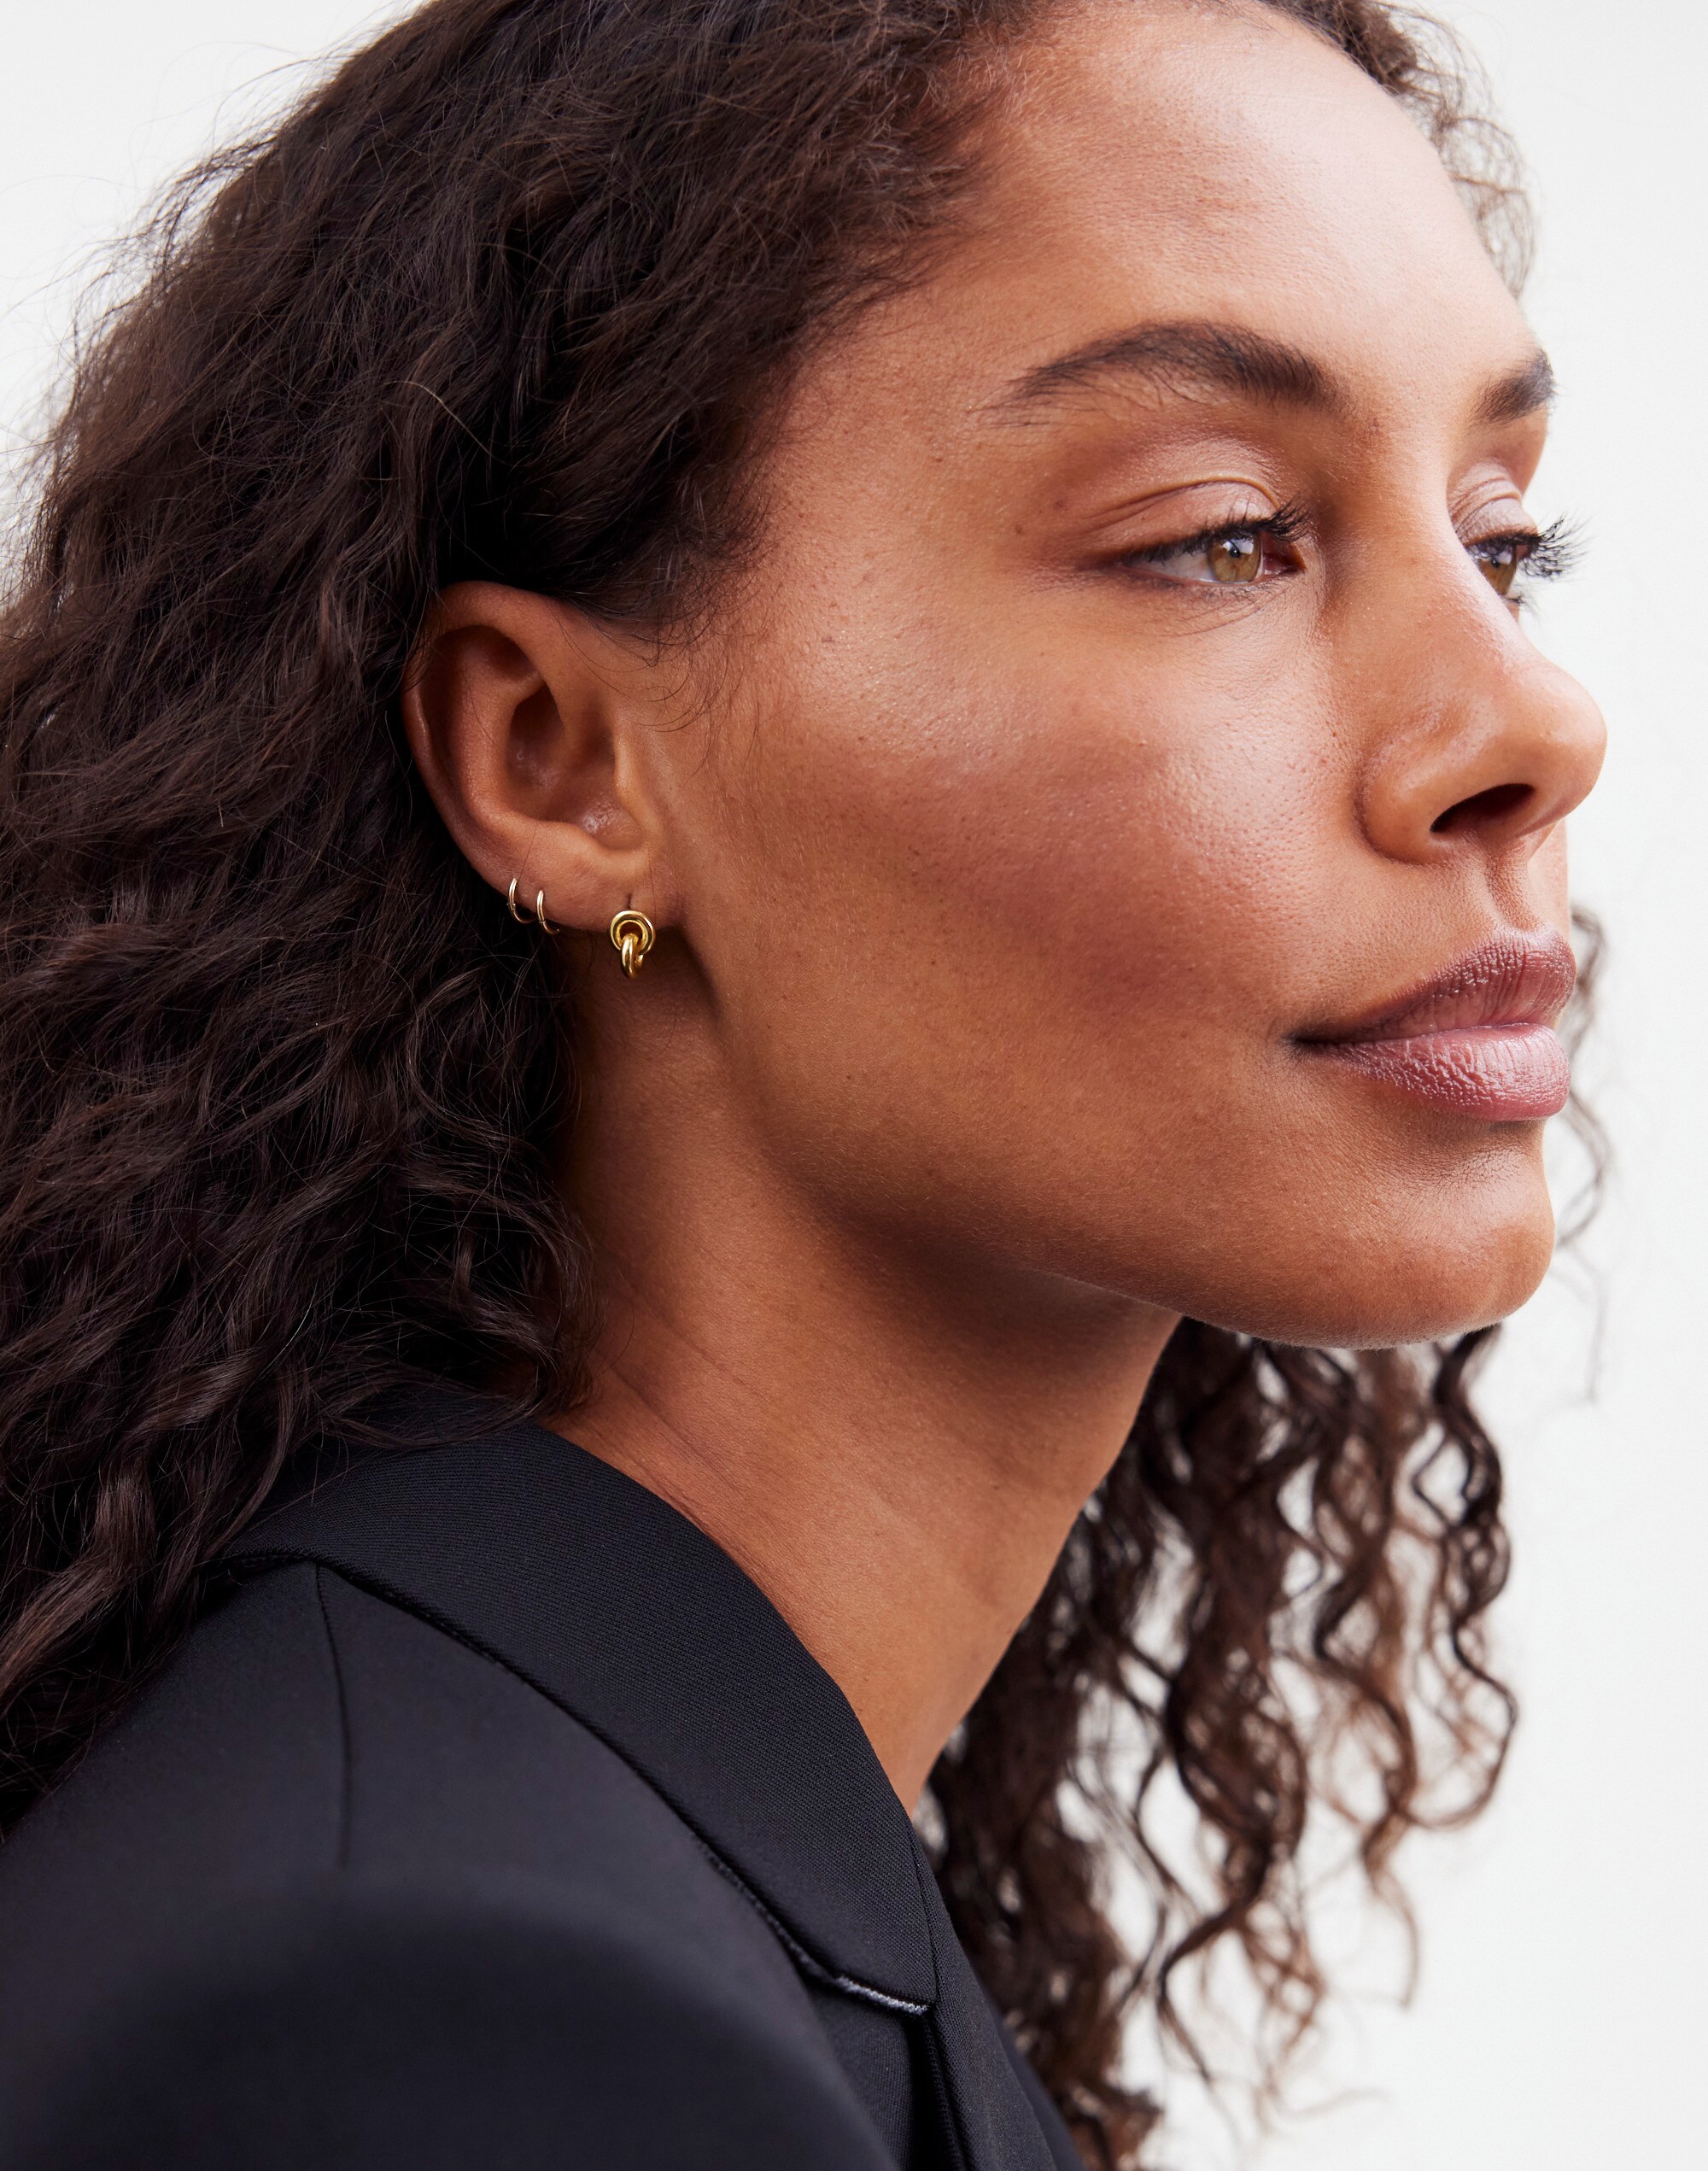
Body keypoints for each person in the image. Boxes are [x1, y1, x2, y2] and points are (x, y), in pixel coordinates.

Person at [0, 0, 1604, 2164]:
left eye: (1503, 540)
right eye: (1222, 530)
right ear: (561, 762)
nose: (1534, 723)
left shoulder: (609, 1865)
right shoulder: (432, 2023)